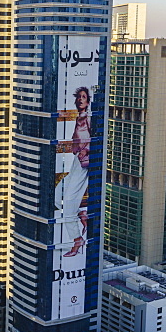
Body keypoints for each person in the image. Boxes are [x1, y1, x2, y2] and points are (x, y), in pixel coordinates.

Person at [59, 86, 91, 257]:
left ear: (88, 100)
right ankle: (82, 215)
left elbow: (95, 140)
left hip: (84, 164)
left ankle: (77, 240)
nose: (80, 99)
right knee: (57, 196)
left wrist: (85, 150)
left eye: (83, 97)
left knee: (68, 207)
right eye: (78, 97)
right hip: (76, 161)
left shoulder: (89, 119)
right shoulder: (80, 117)